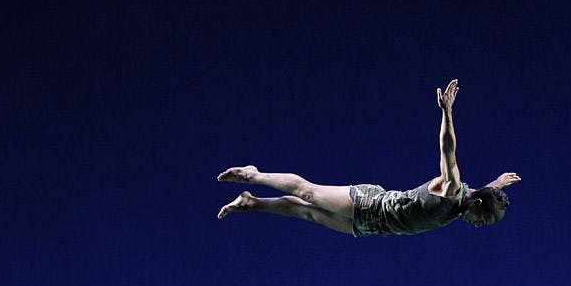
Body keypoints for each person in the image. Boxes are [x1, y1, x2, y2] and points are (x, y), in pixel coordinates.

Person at [217, 79, 521, 235]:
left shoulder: (469, 200)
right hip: (370, 204)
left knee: (306, 212)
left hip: (374, 227)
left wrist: (498, 183)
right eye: (482, 220)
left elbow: (484, 192)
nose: (478, 225)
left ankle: (251, 203)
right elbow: (448, 149)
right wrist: (447, 111)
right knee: (306, 191)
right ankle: (253, 175)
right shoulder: (453, 188)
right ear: (477, 205)